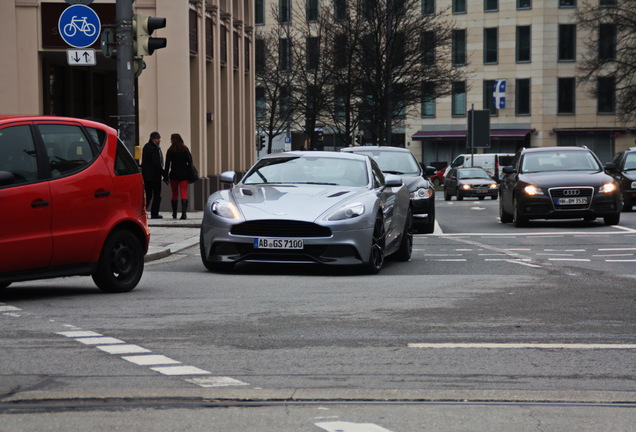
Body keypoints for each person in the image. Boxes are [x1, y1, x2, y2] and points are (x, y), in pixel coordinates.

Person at [164, 133, 194, 220]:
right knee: (183, 193)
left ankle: (174, 213)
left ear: (172, 140)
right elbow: (190, 162)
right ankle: (184, 214)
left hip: (174, 174)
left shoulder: (170, 150)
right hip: (184, 175)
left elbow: (167, 164)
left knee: (174, 194)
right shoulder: (185, 149)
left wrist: (165, 176)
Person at [141, 131, 167, 219]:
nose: (159, 140)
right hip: (154, 176)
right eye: (157, 139)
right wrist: (163, 172)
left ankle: (142, 211)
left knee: (148, 195)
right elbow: (156, 163)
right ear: (153, 139)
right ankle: (154, 213)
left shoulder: (146, 147)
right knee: (157, 195)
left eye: (159, 138)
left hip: (147, 176)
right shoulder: (154, 149)